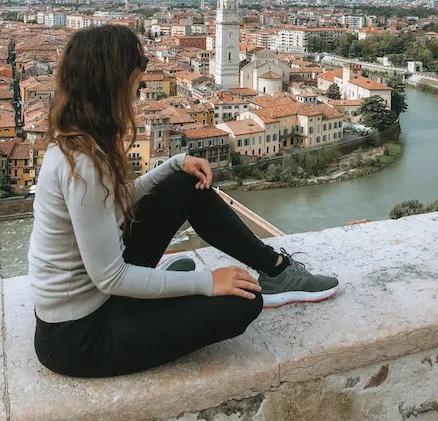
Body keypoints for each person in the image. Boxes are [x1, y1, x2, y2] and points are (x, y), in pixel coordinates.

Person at [29, 26, 338, 378]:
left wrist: (173, 165)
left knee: (184, 183)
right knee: (244, 304)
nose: (142, 78)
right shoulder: (84, 163)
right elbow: (111, 278)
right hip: (78, 337)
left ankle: (277, 270)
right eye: (139, 65)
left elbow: (112, 205)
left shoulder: (77, 141)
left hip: (91, 305)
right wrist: (208, 282)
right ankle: (174, 291)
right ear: (112, 79)